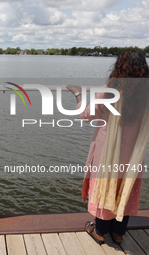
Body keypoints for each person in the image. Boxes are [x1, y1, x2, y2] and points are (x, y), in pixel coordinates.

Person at [66, 49, 149, 245]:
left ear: (118, 68)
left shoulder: (108, 92)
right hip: (133, 155)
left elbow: (86, 115)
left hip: (108, 154)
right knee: (124, 189)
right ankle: (119, 233)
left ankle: (100, 231)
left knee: (106, 186)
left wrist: (78, 95)